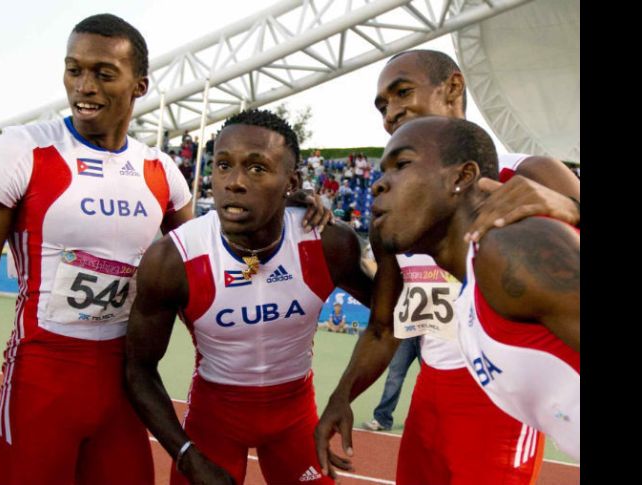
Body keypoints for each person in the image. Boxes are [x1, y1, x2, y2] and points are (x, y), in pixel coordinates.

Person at [0, 14, 194, 485]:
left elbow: (212, 262)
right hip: (40, 387)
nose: (84, 86)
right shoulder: (19, 152)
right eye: (74, 70)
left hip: (124, 391)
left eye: (103, 73)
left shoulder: (163, 171)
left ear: (139, 86)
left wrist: (291, 209)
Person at [315, 49, 580, 484]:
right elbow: (385, 327)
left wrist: (569, 204)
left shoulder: (528, 173)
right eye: (382, 105)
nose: (390, 112)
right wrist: (341, 396)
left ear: (453, 87)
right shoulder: (398, 211)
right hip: (431, 388)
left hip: (502, 401)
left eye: (402, 92)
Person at [123, 109, 397, 485]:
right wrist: (187, 456)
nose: (234, 182)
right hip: (213, 421)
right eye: (222, 165)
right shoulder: (174, 259)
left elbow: (391, 318)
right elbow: (138, 369)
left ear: (292, 182)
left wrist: (344, 395)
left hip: (294, 419)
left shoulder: (329, 243)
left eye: (257, 168)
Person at [371, 116, 579, 459]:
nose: (379, 184)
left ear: (463, 177)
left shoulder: (510, 248)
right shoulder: (470, 283)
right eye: (382, 171)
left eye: (401, 165)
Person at [362, 336, 420, 431]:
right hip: (405, 335)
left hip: (430, 336)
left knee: (430, 380)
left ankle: (425, 421)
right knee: (394, 377)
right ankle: (382, 419)